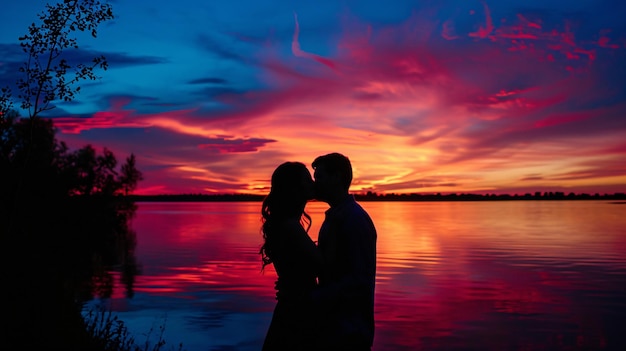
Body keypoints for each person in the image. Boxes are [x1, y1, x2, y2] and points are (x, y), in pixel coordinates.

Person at [311, 152, 377, 351]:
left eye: (320, 178)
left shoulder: (353, 219)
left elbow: (358, 280)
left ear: (337, 177)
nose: (316, 184)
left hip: (349, 333)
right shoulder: (338, 216)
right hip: (335, 328)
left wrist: (313, 298)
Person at [260, 161, 323, 351]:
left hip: (293, 307)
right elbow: (323, 265)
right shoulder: (290, 227)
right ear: (294, 188)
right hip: (297, 314)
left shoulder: (287, 224)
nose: (313, 183)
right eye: (307, 180)